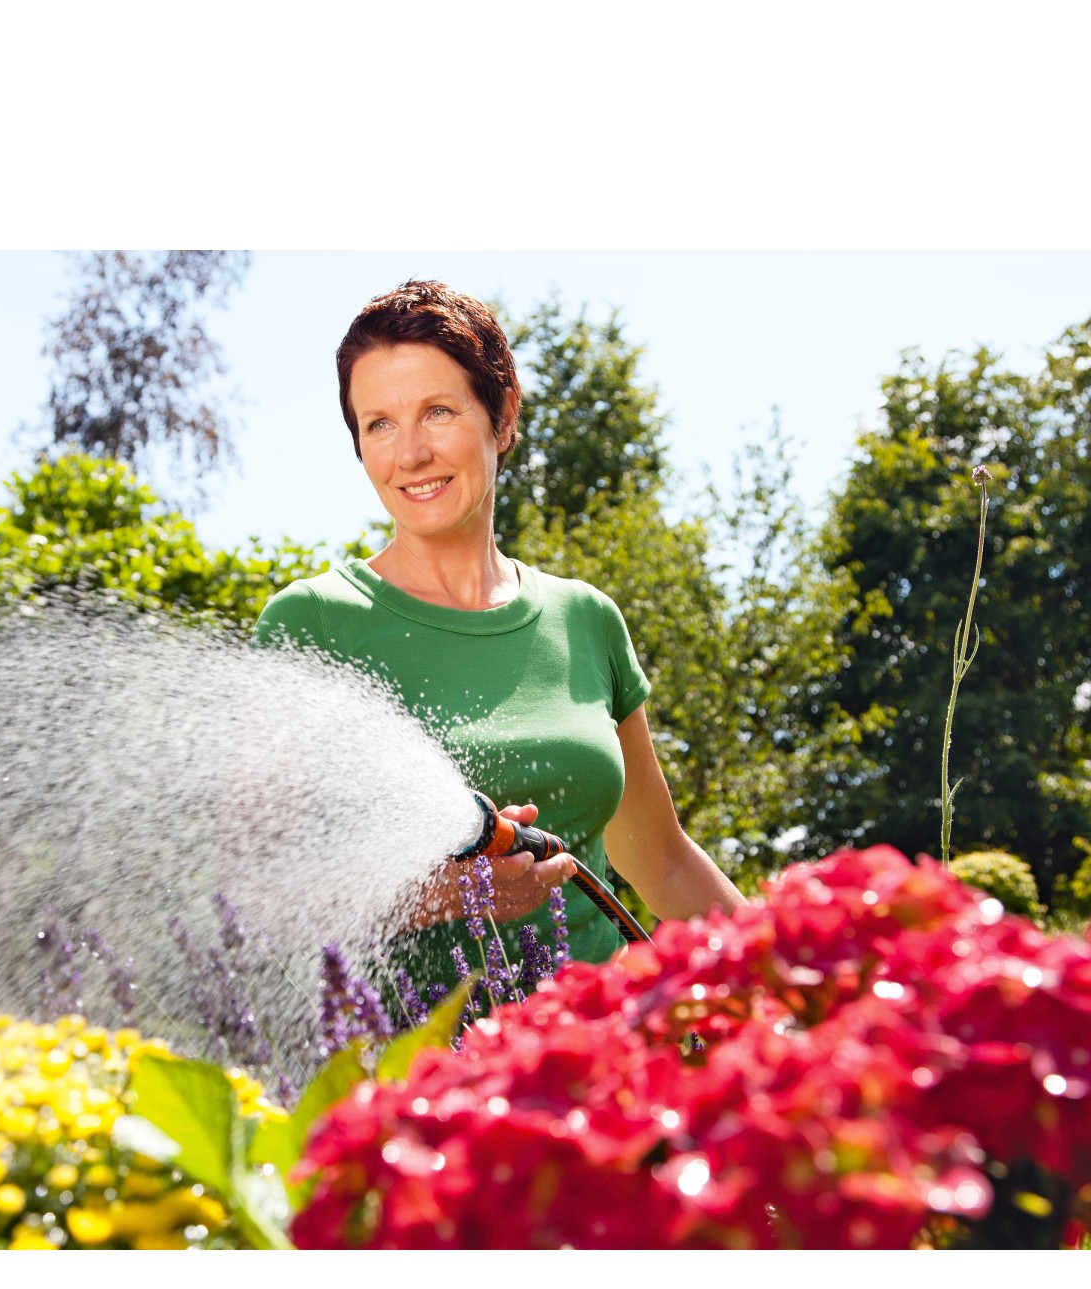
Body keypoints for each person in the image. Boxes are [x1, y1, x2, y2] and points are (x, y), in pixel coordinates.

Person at [254, 280, 743, 997]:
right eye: (379, 424)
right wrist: (450, 899)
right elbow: (261, 902)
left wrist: (806, 989)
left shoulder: (584, 620)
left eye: (438, 412)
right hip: (410, 1080)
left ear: (502, 414)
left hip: (600, 1066)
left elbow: (662, 862)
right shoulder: (313, 624)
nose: (410, 454)